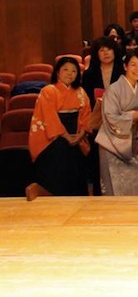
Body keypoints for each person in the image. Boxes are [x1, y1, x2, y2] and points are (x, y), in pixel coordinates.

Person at [28, 57, 91, 196]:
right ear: (57, 72)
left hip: (76, 136)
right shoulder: (48, 91)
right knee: (58, 166)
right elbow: (50, 117)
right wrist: (67, 136)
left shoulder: (81, 92)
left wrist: (80, 134)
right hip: (53, 140)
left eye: (74, 71)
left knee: (77, 170)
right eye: (66, 70)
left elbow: (86, 116)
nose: (70, 73)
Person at [95, 53, 138, 196]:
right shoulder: (113, 89)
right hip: (112, 142)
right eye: (133, 64)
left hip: (134, 144)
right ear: (125, 66)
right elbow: (111, 117)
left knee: (136, 185)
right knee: (114, 186)